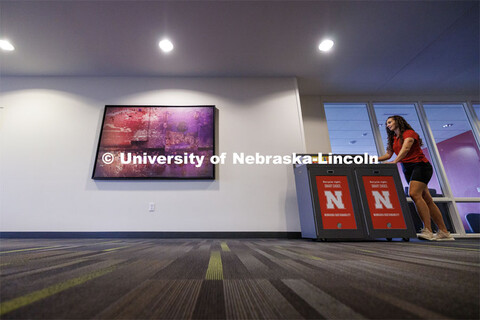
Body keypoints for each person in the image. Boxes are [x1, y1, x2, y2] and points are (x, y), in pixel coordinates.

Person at [377, 115, 454, 241]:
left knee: (414, 194)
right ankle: (444, 232)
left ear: (398, 121)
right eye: (387, 123)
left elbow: (406, 148)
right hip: (407, 168)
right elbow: (387, 155)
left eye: (390, 122)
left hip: (420, 166)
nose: (388, 125)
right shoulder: (393, 138)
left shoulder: (409, 133)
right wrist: (371, 159)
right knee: (427, 199)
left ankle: (428, 230)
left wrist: (395, 161)